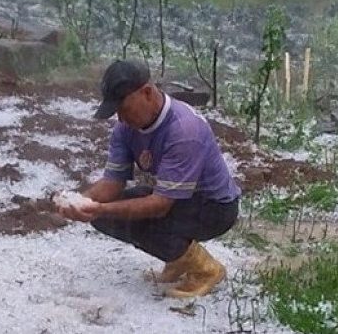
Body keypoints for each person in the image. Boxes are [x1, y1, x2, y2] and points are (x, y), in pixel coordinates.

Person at [54, 59, 241, 298]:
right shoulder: (125, 129)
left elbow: (160, 206)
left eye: (124, 108)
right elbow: (112, 182)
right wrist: (82, 201)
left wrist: (101, 208)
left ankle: (206, 270)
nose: (121, 118)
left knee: (142, 221)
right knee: (103, 217)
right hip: (178, 199)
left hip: (215, 207)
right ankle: (179, 258)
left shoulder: (184, 130)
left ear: (148, 93)